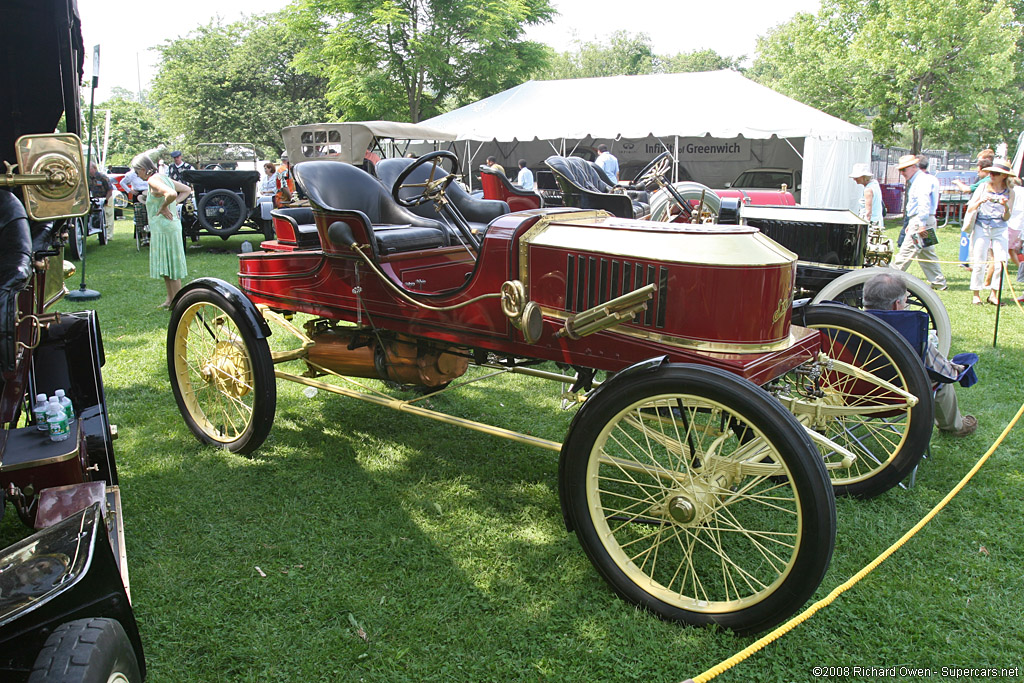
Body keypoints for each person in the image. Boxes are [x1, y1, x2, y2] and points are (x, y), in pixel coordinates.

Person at [863, 272, 977, 437]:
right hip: (897, 396)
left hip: (849, 394)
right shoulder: (910, 332)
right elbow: (944, 373)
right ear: (896, 305)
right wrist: (960, 368)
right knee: (940, 380)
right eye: (904, 301)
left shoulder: (841, 324)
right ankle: (955, 427)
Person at [131, 152, 190, 309]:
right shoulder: (162, 177)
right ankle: (170, 299)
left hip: (166, 228)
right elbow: (186, 190)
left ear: (143, 169)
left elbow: (171, 193)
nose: (137, 175)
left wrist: (164, 206)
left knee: (172, 266)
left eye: (137, 172)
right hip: (164, 228)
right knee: (166, 266)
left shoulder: (153, 180)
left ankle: (179, 303)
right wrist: (173, 204)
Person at [891, 154, 947, 290]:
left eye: (904, 169)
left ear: (914, 167)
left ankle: (889, 278)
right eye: (900, 170)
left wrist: (920, 224)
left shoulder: (921, 181)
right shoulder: (924, 179)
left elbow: (924, 203)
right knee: (927, 252)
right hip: (922, 220)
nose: (902, 173)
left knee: (905, 252)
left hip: (922, 221)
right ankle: (939, 282)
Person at [965, 159, 1014, 306]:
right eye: (991, 172)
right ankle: (976, 294)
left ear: (1004, 176)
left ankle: (994, 294)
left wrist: (1005, 206)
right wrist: (981, 201)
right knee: (979, 261)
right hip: (982, 225)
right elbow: (970, 208)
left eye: (996, 173)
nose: (992, 175)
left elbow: (1007, 216)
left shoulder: (1010, 192)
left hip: (1000, 227)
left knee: (1001, 261)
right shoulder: (982, 187)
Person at [849, 162, 883, 228]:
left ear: (863, 177)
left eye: (856, 177)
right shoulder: (875, 183)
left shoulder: (868, 190)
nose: (854, 179)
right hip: (878, 220)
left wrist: (864, 227)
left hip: (871, 223)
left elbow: (868, 213)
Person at [88, 161, 113, 240]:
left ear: (94, 168)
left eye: (89, 168)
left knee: (108, 216)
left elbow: (110, 190)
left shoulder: (102, 177)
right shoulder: (88, 178)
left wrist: (106, 200)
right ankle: (101, 234)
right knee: (98, 216)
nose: (87, 170)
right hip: (96, 199)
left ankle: (109, 235)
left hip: (107, 197)